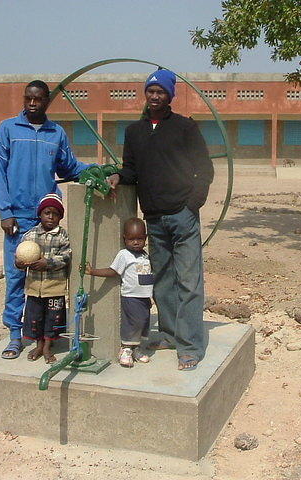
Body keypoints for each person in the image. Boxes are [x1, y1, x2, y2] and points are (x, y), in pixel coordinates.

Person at [107, 69, 214, 371]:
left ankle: (190, 346)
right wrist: (116, 177)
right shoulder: (134, 132)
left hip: (182, 216)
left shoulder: (184, 127)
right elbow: (131, 170)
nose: (155, 96)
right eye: (151, 91)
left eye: (161, 92)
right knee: (163, 281)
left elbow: (204, 169)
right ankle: (168, 334)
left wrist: (192, 205)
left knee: (189, 282)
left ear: (170, 96)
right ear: (146, 94)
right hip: (153, 219)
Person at [0, 80, 92, 359]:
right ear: (24, 99)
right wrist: (5, 211)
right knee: (16, 276)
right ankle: (14, 335)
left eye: (38, 99)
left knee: (48, 278)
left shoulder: (55, 133)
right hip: (19, 218)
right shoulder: (8, 130)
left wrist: (100, 170)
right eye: (28, 99)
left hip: (48, 220)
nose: (32, 104)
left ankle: (47, 335)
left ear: (47, 101)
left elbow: (70, 167)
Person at [85, 217, 153, 368]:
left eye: (140, 239)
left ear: (145, 238)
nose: (136, 242)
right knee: (132, 323)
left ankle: (136, 349)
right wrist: (92, 271)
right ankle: (126, 349)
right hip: (131, 296)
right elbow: (112, 271)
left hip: (144, 297)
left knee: (143, 322)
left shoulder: (145, 255)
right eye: (131, 239)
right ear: (124, 239)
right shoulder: (124, 255)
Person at [16, 194, 70, 364]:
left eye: (55, 214)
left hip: (54, 287)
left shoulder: (62, 236)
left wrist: (48, 263)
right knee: (35, 318)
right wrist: (19, 263)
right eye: (47, 212)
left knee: (53, 319)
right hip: (34, 288)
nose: (51, 217)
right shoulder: (30, 235)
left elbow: (66, 257)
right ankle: (39, 344)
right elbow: (19, 257)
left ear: (60, 217)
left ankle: (47, 346)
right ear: (40, 214)